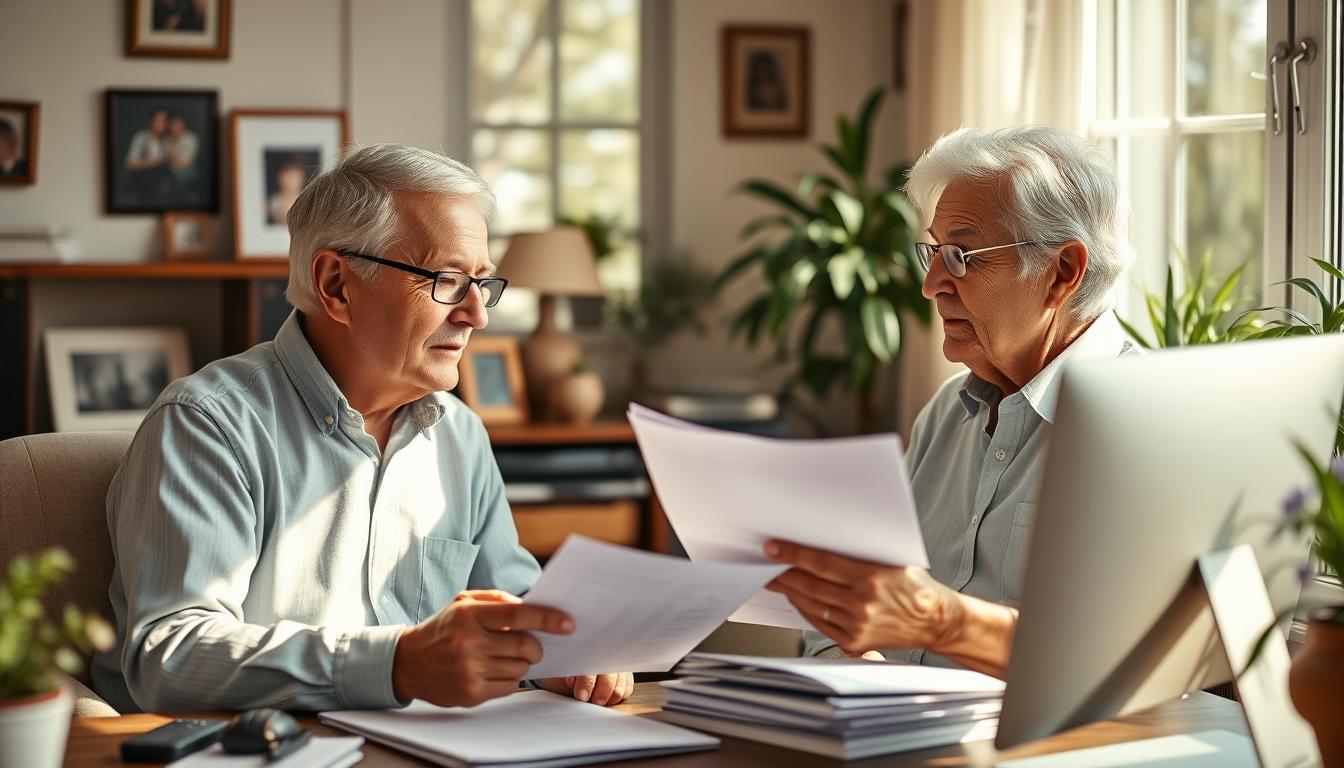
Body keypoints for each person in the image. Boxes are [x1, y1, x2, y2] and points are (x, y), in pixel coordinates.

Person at [94, 144, 633, 712]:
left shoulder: (460, 433)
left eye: (483, 283)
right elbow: (168, 654)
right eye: (448, 280)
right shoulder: (208, 425)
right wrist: (398, 664)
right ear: (336, 285)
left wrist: (569, 652)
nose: (478, 314)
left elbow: (516, 605)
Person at [764, 126, 1138, 678]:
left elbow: (1121, 655)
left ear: (1063, 272)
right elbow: (845, 614)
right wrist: (856, 665)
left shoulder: (1143, 424)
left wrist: (937, 621)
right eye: (935, 252)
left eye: (962, 255)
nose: (932, 283)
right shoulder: (946, 412)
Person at [124, 107, 170, 203]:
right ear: (151, 121)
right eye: (158, 121)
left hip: (164, 176)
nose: (161, 125)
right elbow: (130, 164)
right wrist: (152, 162)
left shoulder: (168, 139)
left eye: (164, 121)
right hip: (145, 176)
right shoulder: (140, 138)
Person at [163, 112, 200, 202]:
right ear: (169, 126)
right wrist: (172, 144)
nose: (176, 127)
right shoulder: (166, 139)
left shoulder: (191, 138)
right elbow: (166, 159)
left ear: (184, 125)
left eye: (179, 124)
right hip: (169, 168)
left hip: (188, 170)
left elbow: (186, 162)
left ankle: (175, 202)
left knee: (177, 176)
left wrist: (171, 164)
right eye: (173, 125)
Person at [267, 154, 311, 225]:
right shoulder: (272, 203)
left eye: (294, 178)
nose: (290, 182)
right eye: (287, 178)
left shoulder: (308, 202)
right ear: (279, 178)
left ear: (302, 178)